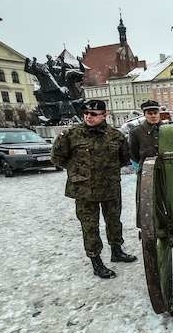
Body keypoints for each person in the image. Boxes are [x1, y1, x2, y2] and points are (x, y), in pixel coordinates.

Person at [52, 100, 136, 279]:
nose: (89, 117)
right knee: (90, 226)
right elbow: (57, 158)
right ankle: (96, 261)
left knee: (114, 221)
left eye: (94, 114)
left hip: (109, 186)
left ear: (104, 115)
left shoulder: (116, 136)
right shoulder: (71, 135)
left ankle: (116, 250)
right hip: (85, 190)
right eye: (86, 113)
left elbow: (124, 158)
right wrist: (77, 170)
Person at [129, 100, 163, 227]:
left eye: (155, 112)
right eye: (150, 113)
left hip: (166, 171)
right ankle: (148, 227)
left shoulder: (167, 129)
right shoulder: (136, 132)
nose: (153, 116)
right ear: (145, 114)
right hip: (146, 173)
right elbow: (133, 154)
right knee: (146, 200)